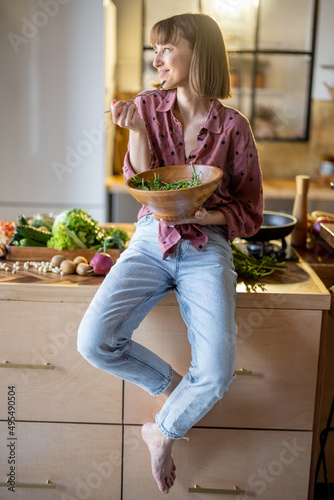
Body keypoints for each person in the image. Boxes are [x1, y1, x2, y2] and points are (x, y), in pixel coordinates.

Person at [78, 12, 263, 495]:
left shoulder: (234, 128)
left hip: (208, 246)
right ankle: (175, 389)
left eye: (166, 48)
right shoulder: (147, 105)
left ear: (196, 53)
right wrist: (135, 129)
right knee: (94, 341)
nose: (156, 58)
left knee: (218, 372)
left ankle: (161, 430)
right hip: (151, 236)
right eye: (154, 49)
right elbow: (140, 185)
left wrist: (212, 220)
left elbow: (249, 208)